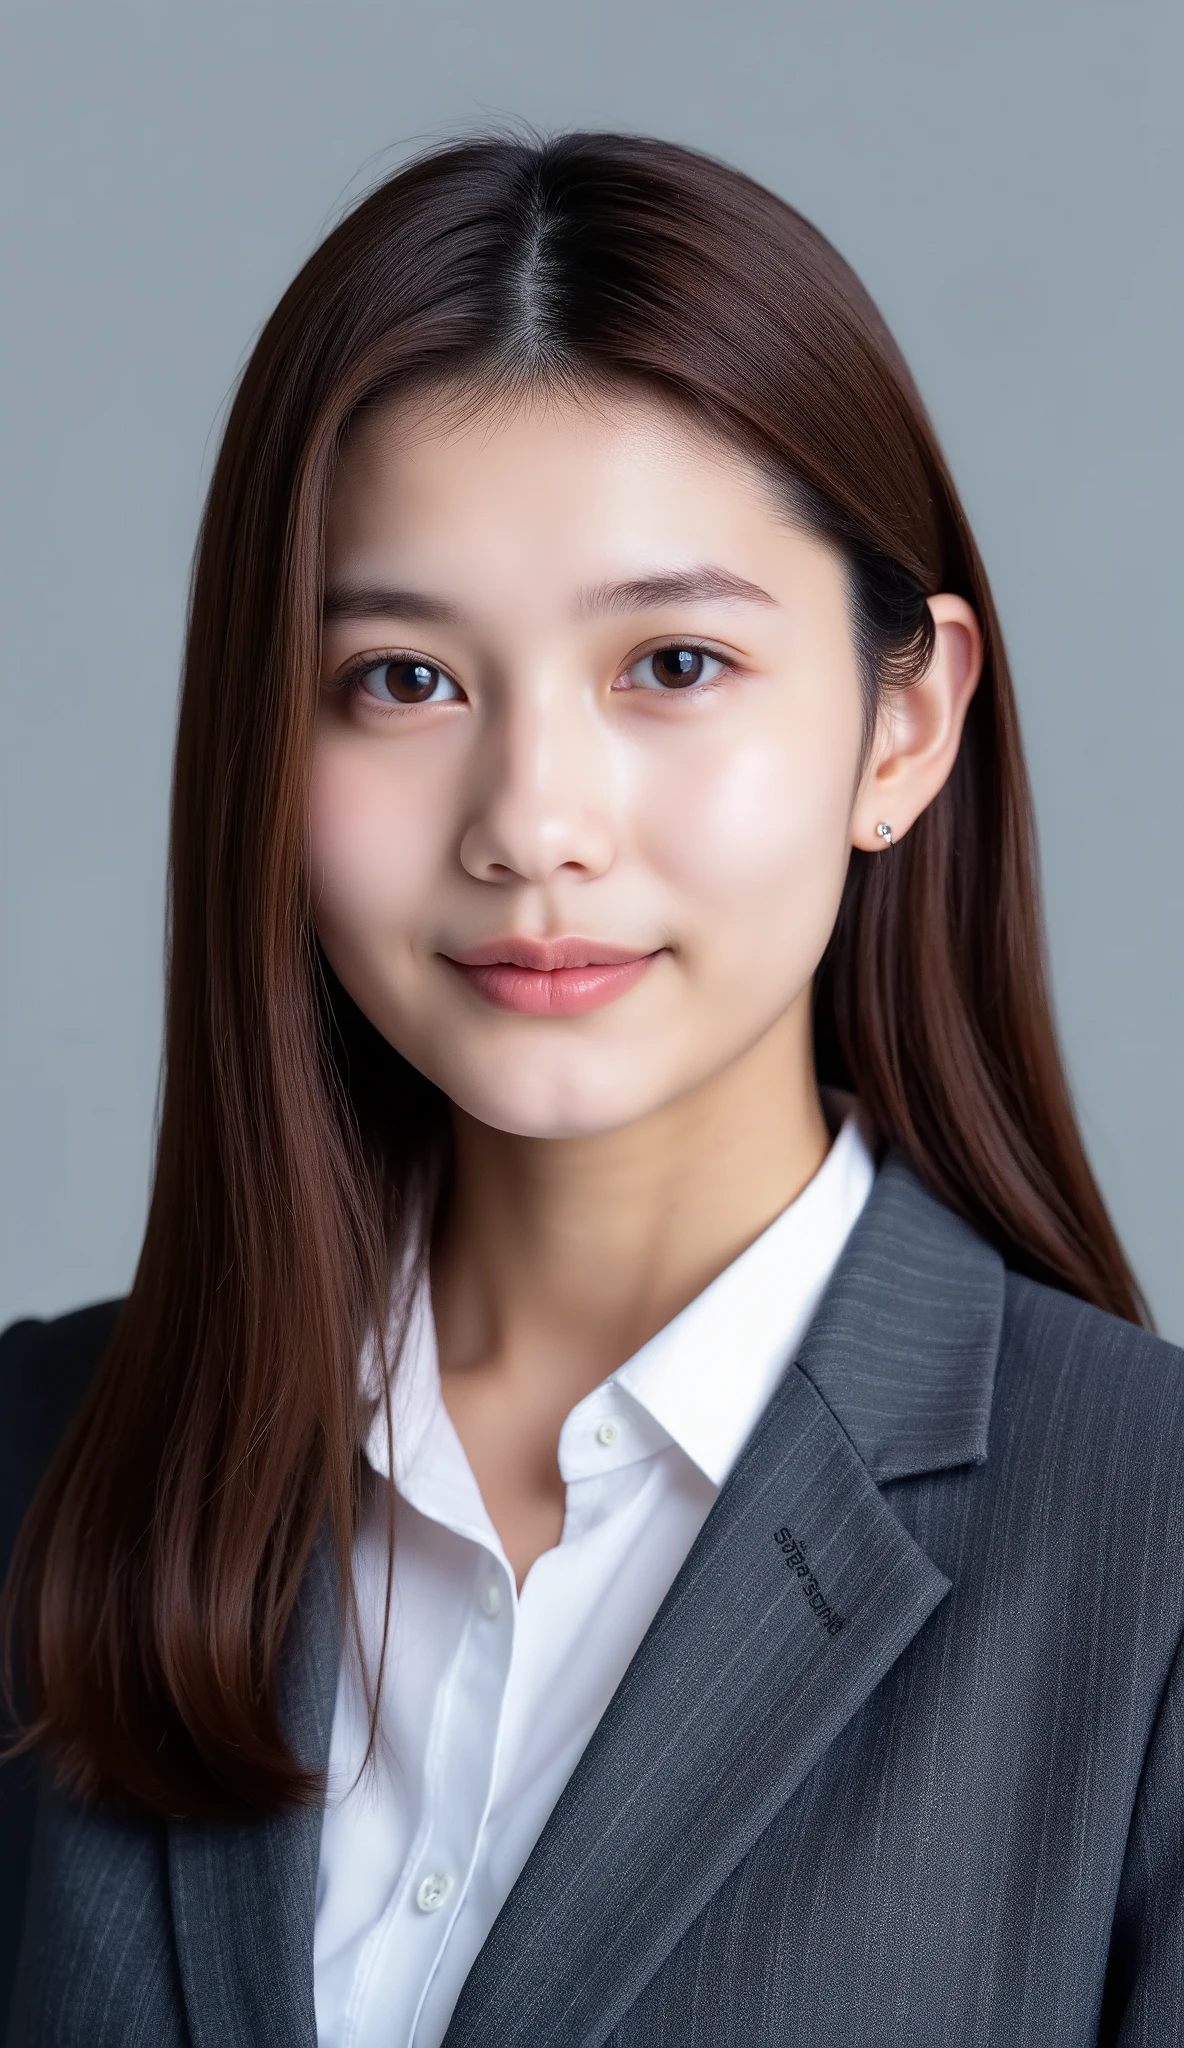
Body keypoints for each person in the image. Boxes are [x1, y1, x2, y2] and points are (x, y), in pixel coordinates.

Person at [1, 130, 1180, 2048]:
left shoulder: (1150, 1560)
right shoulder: (36, 1475)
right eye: (401, 680)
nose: (534, 826)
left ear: (906, 721)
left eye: (678, 662)